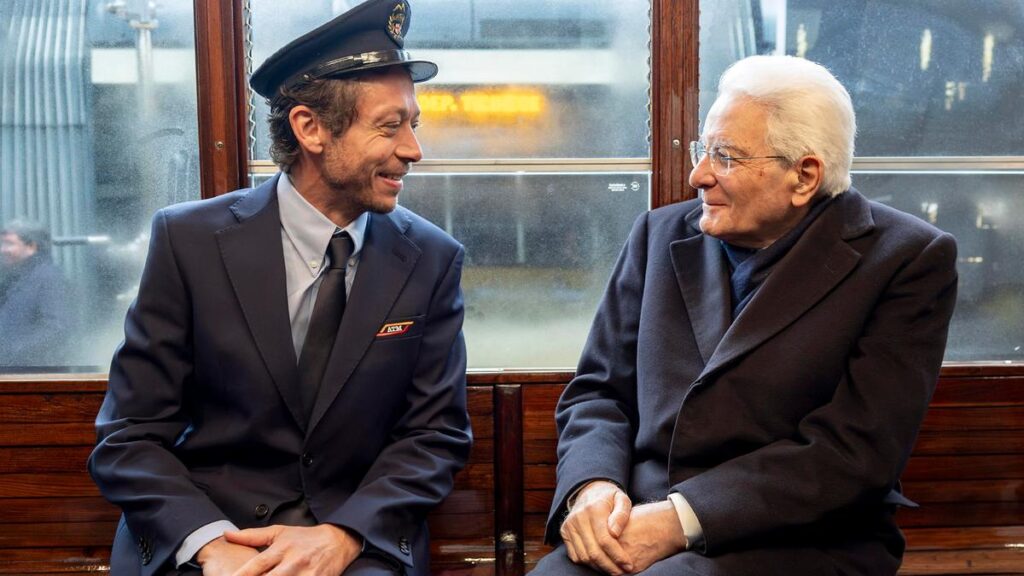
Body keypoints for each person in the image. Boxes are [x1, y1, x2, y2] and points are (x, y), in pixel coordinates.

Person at [533, 55, 957, 576]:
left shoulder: (907, 260)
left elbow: (854, 451)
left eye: (725, 157)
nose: (697, 175)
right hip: (636, 515)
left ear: (804, 176)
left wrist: (676, 521)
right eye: (702, 149)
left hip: (804, 538)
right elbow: (599, 391)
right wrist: (592, 488)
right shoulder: (658, 235)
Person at [88, 1, 472, 574]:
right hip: (209, 536)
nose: (413, 149)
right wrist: (208, 542)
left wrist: (343, 534)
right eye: (390, 126)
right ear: (310, 127)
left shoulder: (432, 258)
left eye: (413, 124)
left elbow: (434, 435)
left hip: (354, 541)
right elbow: (130, 435)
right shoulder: (189, 241)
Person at [0, 220, 72, 368]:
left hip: (34, 377)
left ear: (31, 246)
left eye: (9, 244)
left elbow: (56, 329)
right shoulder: (14, 277)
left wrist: (8, 351)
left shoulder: (49, 278)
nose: (3, 250)